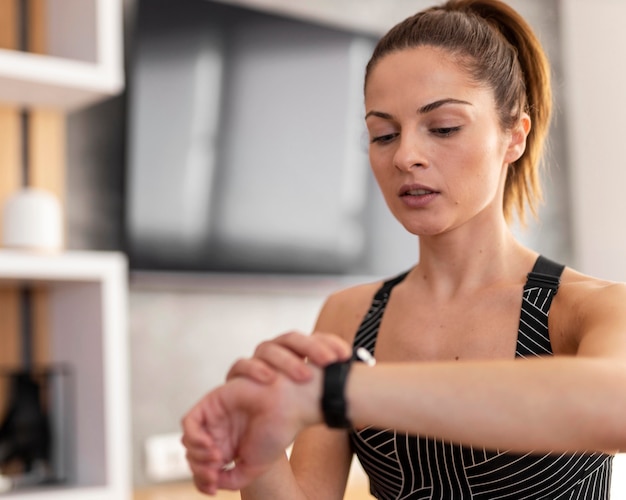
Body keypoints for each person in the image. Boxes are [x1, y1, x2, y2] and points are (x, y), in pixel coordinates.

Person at [181, 0, 626, 498]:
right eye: (383, 135)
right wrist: (257, 453)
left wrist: (334, 394)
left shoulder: (590, 308)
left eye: (443, 128)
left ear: (514, 136)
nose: (406, 156)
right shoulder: (349, 315)